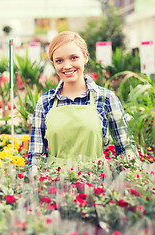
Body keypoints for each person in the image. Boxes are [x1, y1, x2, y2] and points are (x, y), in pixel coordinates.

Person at [28, 31, 139, 173]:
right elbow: (35, 155)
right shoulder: (45, 102)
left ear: (85, 58)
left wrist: (134, 180)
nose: (67, 66)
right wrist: (35, 179)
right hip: (54, 185)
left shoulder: (106, 98)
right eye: (59, 61)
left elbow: (125, 148)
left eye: (74, 58)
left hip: (97, 184)